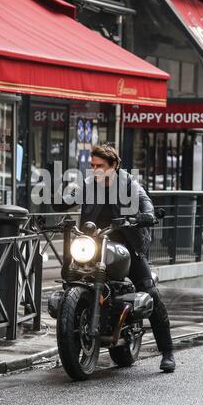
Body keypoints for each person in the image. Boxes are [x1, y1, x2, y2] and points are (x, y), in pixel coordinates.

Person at [55, 143, 175, 372]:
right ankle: (73, 337)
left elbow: (145, 201)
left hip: (126, 247)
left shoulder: (130, 184)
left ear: (114, 165)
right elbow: (64, 201)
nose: (95, 170)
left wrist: (146, 214)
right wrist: (58, 193)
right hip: (94, 245)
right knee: (68, 276)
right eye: (92, 166)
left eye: (100, 166)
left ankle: (167, 351)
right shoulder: (88, 185)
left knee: (149, 290)